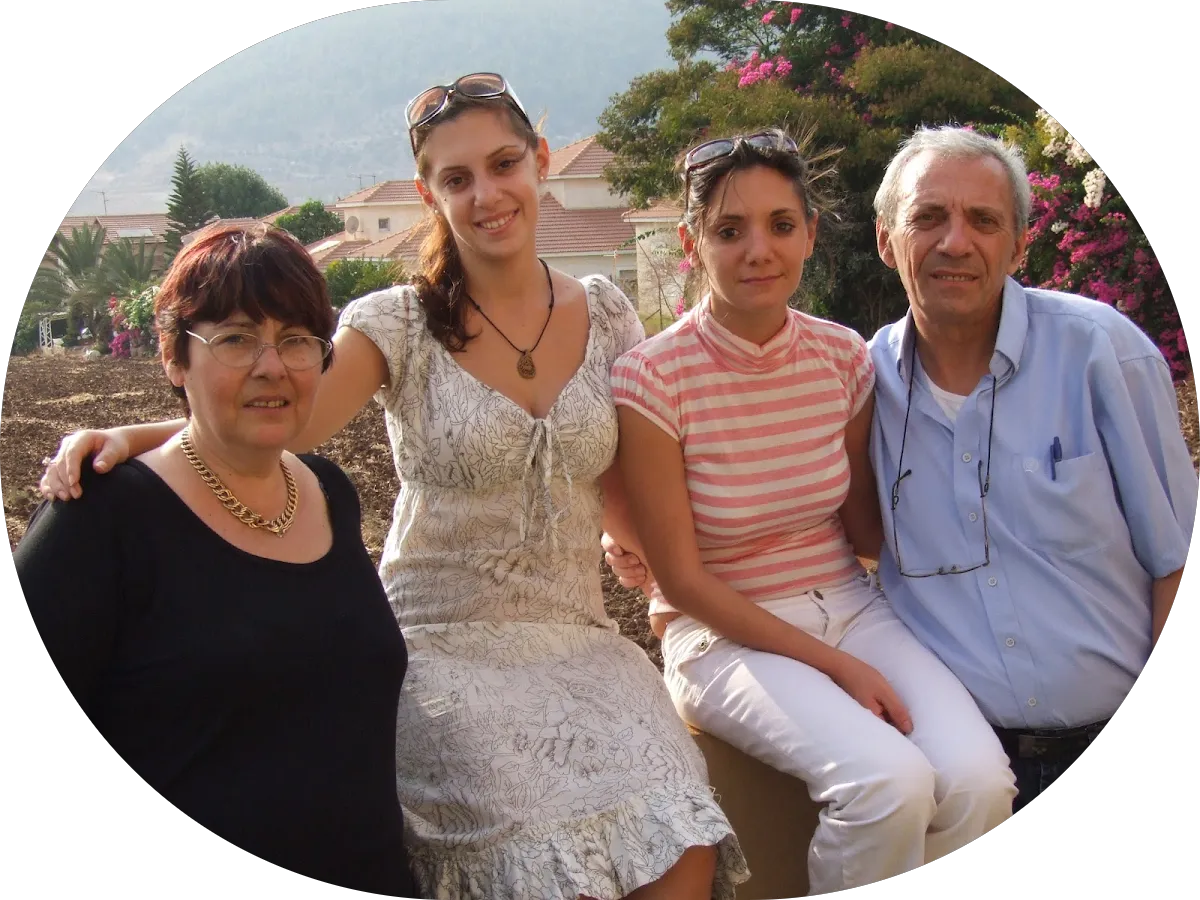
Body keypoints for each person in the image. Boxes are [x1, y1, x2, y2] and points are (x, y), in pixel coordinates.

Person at [35, 73, 748, 900]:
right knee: (554, 868)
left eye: (503, 164)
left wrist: (653, 564)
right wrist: (134, 437)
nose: (487, 195)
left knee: (684, 839)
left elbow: (619, 473)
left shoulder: (608, 310)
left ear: (541, 161)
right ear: (427, 192)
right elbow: (281, 412)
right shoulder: (398, 323)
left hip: (579, 635)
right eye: (457, 178)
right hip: (440, 647)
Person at [606, 127, 1017, 896]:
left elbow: (865, 527)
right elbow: (682, 582)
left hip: (852, 607)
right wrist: (839, 668)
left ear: (810, 235)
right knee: (885, 785)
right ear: (693, 244)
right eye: (730, 230)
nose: (758, 250)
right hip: (720, 636)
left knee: (979, 784)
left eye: (780, 225)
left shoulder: (841, 357)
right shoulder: (652, 379)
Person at [15, 223, 420, 897]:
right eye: (236, 339)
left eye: (297, 339)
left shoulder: (329, 492)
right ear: (175, 359)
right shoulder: (100, 517)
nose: (272, 366)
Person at [863, 124, 1196, 810]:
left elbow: (1176, 560)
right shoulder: (859, 385)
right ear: (886, 239)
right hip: (957, 773)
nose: (955, 242)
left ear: (1019, 244)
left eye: (983, 221)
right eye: (928, 217)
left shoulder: (1103, 352)